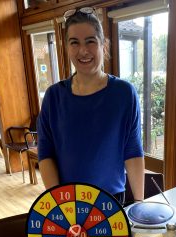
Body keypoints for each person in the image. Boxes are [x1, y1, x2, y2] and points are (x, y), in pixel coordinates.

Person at [36, 7, 144, 205]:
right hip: (67, 201)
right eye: (74, 43)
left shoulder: (124, 93)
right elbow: (45, 153)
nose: (83, 51)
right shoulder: (53, 97)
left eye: (90, 41)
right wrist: (59, 203)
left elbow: (133, 150)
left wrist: (138, 203)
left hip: (111, 201)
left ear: (103, 45)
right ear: (67, 48)